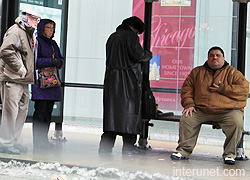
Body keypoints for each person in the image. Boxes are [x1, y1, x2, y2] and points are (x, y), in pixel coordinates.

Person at [171, 46, 249, 165]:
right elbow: (187, 89)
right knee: (187, 118)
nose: (215, 57)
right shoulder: (197, 72)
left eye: (218, 55)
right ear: (207, 58)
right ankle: (183, 151)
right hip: (200, 110)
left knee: (237, 122)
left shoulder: (233, 73)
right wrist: (189, 104)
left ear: (223, 58)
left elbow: (244, 90)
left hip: (226, 111)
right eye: (212, 55)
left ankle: (229, 154)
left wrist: (223, 89)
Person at [99, 16, 152, 155]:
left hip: (111, 80)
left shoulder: (112, 37)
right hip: (128, 81)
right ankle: (128, 148)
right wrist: (148, 54)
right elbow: (139, 55)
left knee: (112, 117)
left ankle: (105, 147)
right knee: (129, 116)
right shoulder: (131, 37)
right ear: (135, 28)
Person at [0, 10, 40, 154]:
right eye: (35, 19)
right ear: (27, 18)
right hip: (12, 77)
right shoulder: (16, 31)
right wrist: (19, 67)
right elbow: (5, 50)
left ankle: (13, 141)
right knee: (11, 111)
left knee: (21, 111)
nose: (37, 22)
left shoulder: (29, 33)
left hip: (23, 79)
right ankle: (6, 142)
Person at [31, 19, 64, 149]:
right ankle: (38, 141)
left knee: (47, 114)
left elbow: (61, 60)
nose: (51, 30)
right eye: (48, 27)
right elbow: (35, 61)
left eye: (53, 28)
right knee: (40, 113)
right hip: (41, 84)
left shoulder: (53, 43)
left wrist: (58, 62)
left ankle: (43, 140)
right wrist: (51, 61)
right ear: (42, 28)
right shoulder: (37, 42)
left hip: (52, 84)